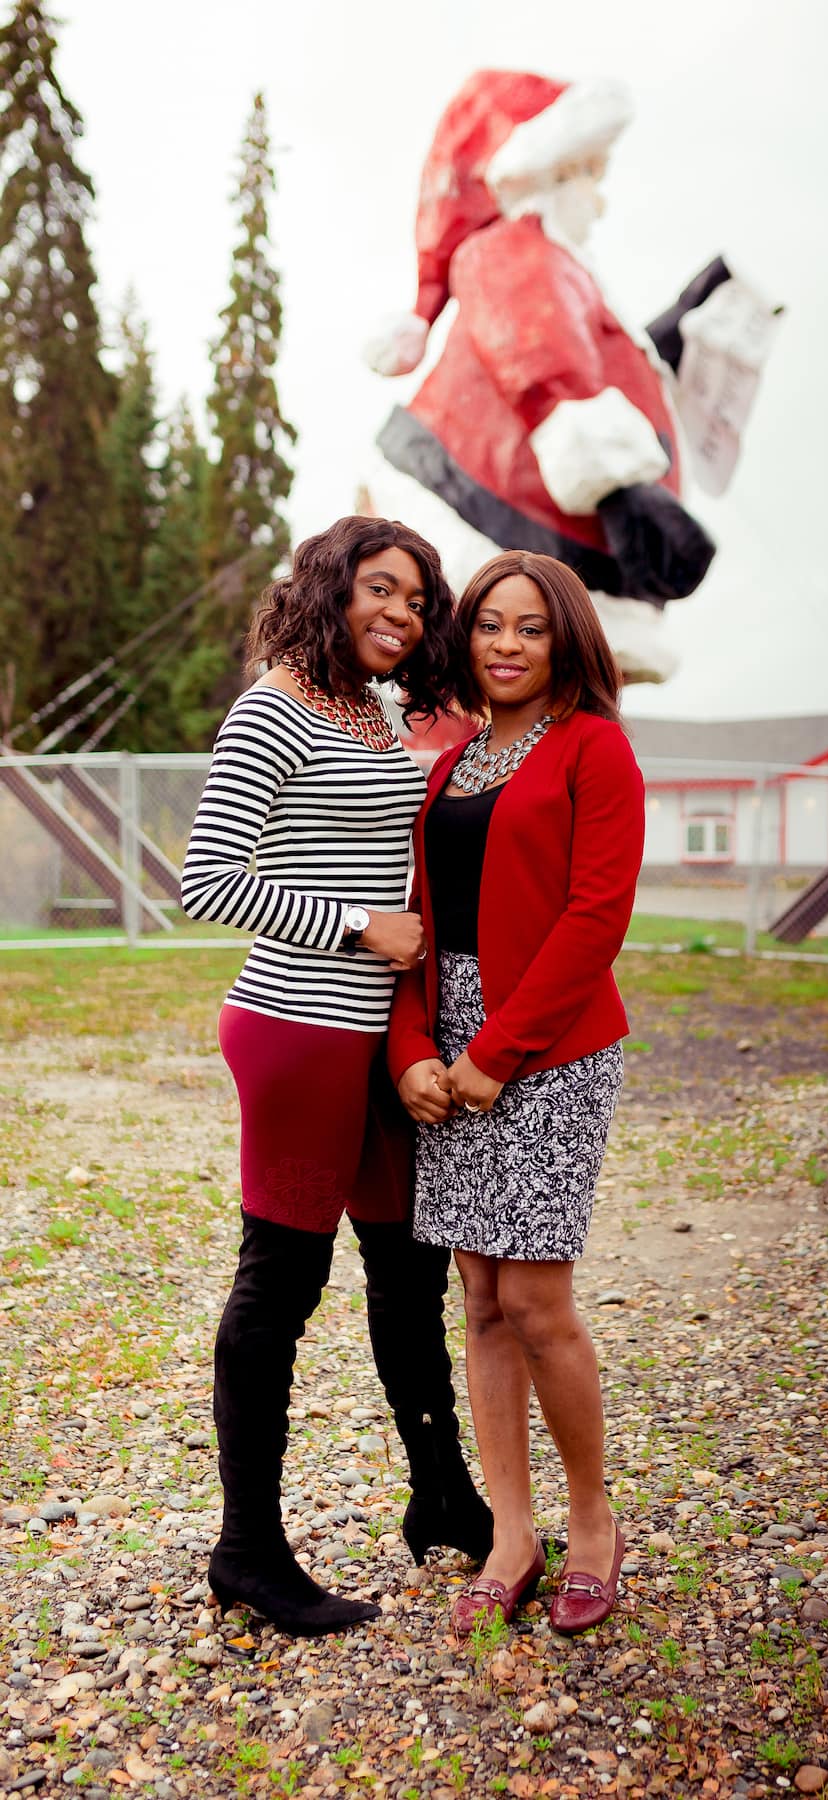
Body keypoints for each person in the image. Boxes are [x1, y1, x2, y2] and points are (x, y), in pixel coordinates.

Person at [181, 515, 492, 1638]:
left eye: (417, 600)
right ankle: (248, 1552)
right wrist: (364, 925)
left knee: (407, 1274)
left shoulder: (381, 712)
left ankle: (443, 1493)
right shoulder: (272, 706)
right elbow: (207, 881)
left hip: (378, 1040)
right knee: (282, 1280)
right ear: (329, 589)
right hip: (298, 1028)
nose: (402, 615)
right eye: (380, 590)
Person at [388, 549, 644, 1637]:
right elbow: (417, 922)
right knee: (480, 1302)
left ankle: (593, 1528)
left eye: (529, 628)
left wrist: (495, 1052)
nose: (504, 643)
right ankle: (512, 1533)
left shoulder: (595, 749)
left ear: (565, 639)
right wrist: (414, 1052)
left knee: (538, 1302)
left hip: (551, 1047)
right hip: (449, 1056)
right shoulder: (449, 767)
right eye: (489, 624)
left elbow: (595, 919)